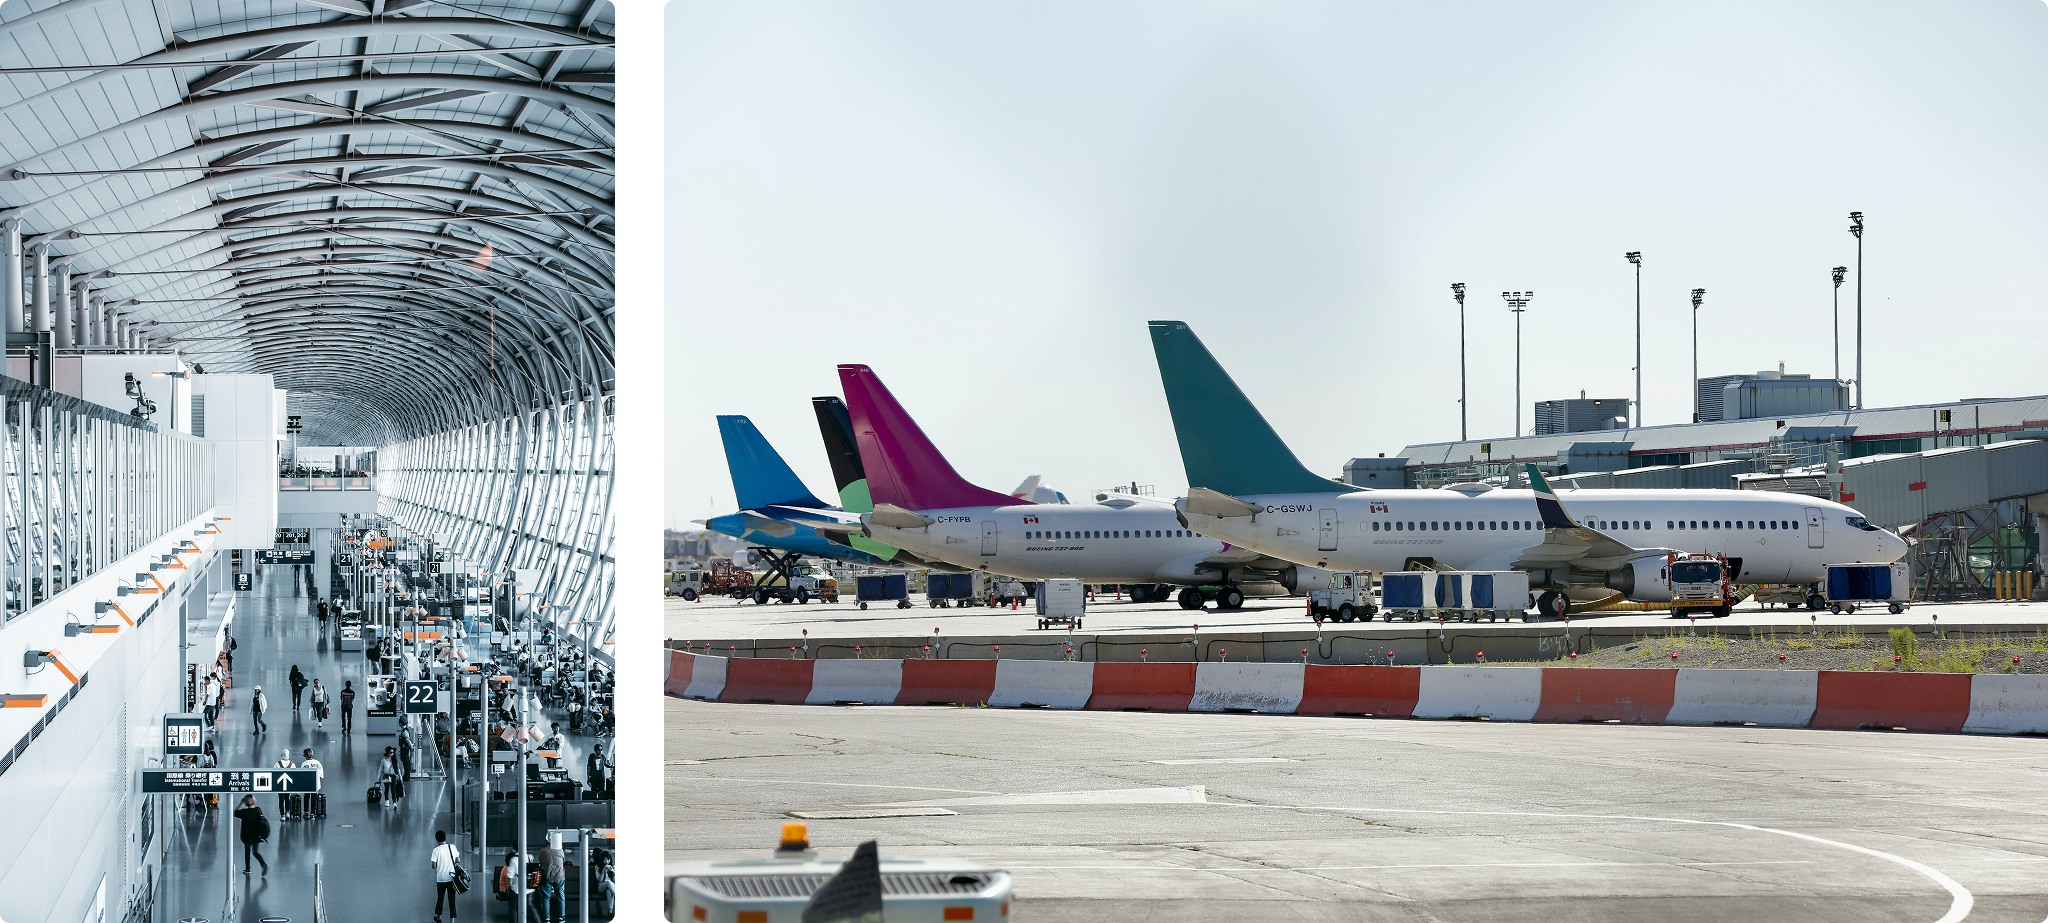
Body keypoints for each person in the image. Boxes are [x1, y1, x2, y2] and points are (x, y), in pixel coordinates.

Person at [431, 829, 463, 922]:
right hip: (451, 878)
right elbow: (458, 860)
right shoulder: (452, 847)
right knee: (451, 899)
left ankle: (438, 918)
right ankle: (452, 920)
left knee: (440, 898)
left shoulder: (435, 850)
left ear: (436, 840)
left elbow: (433, 866)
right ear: (445, 838)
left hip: (441, 879)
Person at [233, 795, 269, 875]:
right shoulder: (258, 810)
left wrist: (240, 803)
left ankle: (247, 869)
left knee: (247, 852)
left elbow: (235, 813)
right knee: (255, 852)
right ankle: (263, 864)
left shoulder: (244, 812)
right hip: (256, 835)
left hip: (247, 836)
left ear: (245, 802)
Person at [534, 835, 566, 923]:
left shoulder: (543, 851)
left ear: (546, 841)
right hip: (559, 877)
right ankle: (561, 917)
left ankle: (546, 918)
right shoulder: (560, 850)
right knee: (561, 898)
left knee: (545, 898)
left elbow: (540, 860)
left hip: (546, 877)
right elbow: (562, 861)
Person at [300, 748, 325, 817]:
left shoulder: (303, 764)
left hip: (307, 784)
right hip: (316, 784)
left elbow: (302, 775)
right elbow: (321, 775)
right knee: (314, 798)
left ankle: (306, 812)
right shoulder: (318, 763)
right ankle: (312, 813)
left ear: (305, 756)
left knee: (306, 797)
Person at [275, 750, 298, 819]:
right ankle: (288, 812)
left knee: (281, 800)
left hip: (280, 785)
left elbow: (274, 774)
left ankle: (282, 815)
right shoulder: (292, 764)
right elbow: (295, 775)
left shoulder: (277, 764)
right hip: (288, 785)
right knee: (287, 798)